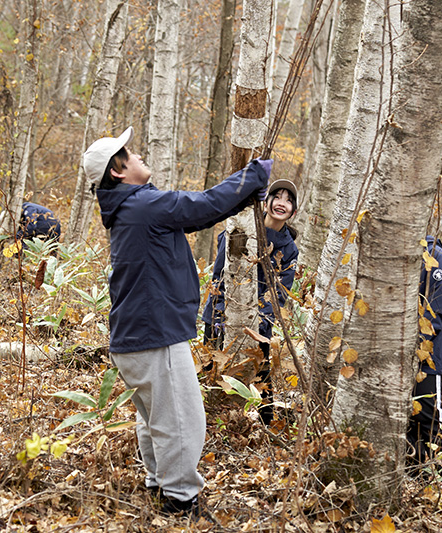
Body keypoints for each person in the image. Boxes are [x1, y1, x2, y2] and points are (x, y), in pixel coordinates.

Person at [83, 126, 269, 517]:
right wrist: (254, 175)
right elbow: (202, 205)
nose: (138, 156)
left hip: (136, 337)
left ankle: (161, 487)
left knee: (156, 419)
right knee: (183, 419)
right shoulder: (143, 205)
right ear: (117, 171)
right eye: (130, 154)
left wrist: (244, 192)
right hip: (155, 335)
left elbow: (199, 213)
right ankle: (180, 501)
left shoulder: (131, 209)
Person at [201, 180, 299, 424]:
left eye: (288, 200)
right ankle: (206, 421)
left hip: (260, 323)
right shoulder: (241, 228)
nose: (282, 203)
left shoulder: (289, 250)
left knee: (261, 376)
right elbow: (219, 275)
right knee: (209, 371)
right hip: (220, 315)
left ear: (293, 212)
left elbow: (280, 293)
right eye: (277, 197)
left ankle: (268, 425)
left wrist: (260, 324)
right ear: (266, 203)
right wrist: (221, 313)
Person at [407, 235, 442, 470]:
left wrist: (415, 347)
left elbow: (437, 314)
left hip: (428, 360)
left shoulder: (436, 257)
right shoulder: (398, 253)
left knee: (430, 420)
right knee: (409, 425)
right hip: (397, 357)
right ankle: (420, 477)